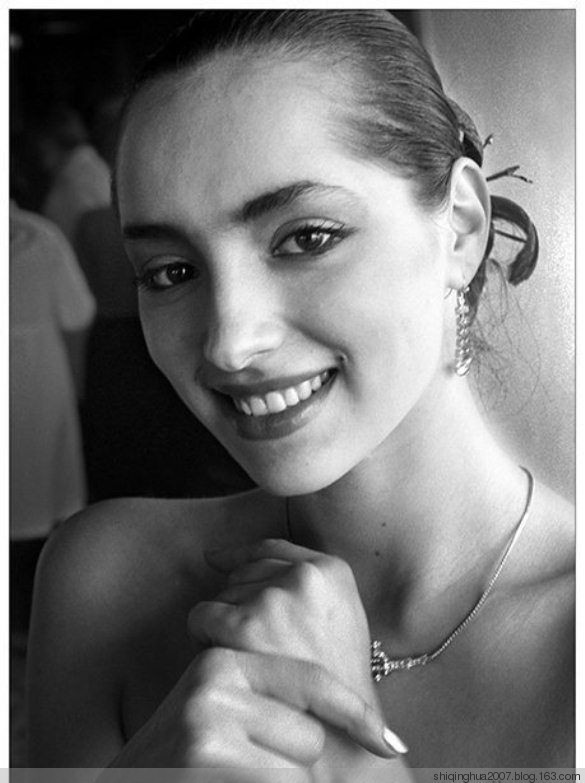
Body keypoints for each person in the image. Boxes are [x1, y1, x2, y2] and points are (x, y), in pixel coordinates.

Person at [27, 10, 574, 776]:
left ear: (457, 228)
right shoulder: (104, 583)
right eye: (171, 272)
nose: (228, 342)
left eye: (305, 238)